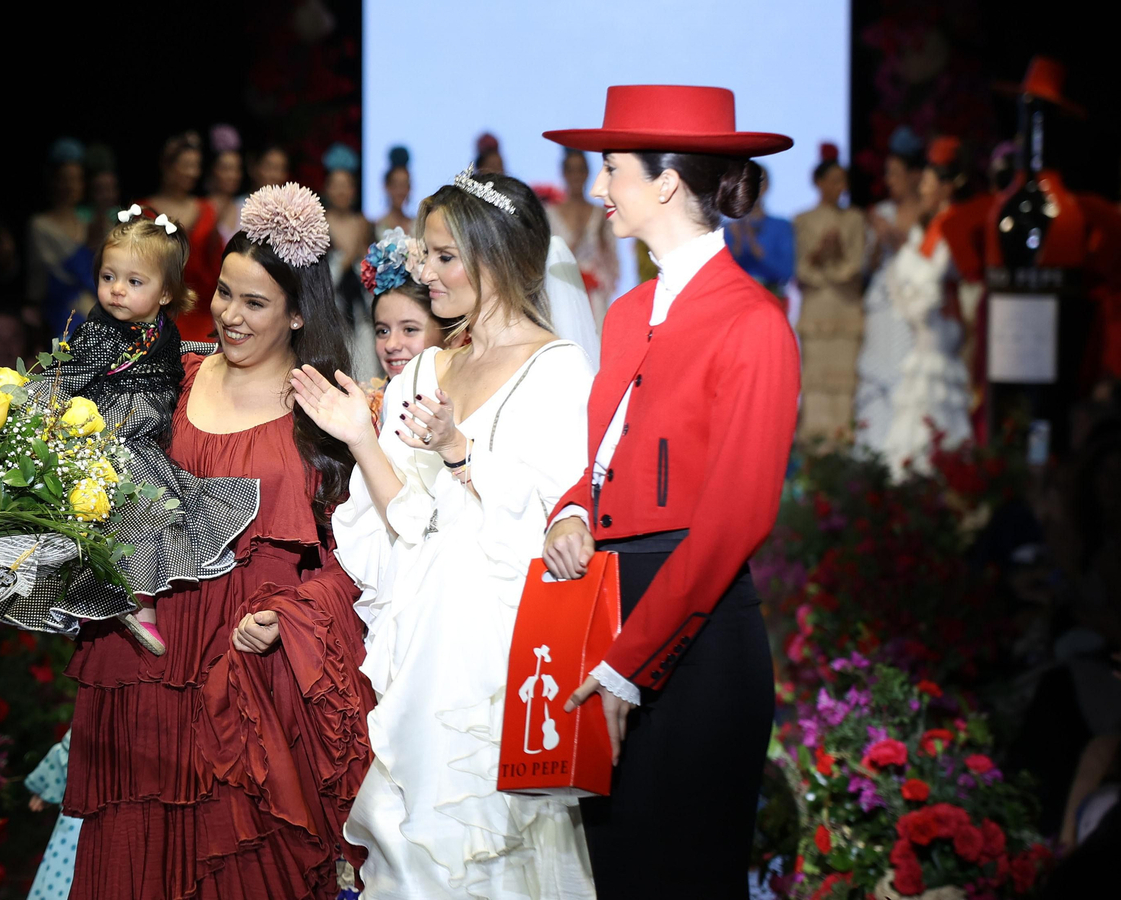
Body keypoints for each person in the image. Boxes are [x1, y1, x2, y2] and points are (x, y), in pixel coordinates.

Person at [59, 184, 373, 899]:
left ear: (298, 313)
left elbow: (355, 564)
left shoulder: (326, 416)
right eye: (225, 293)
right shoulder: (170, 378)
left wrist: (291, 615)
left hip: (248, 682)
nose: (230, 314)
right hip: (142, 665)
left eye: (254, 303)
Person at [306, 170, 596, 898]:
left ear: (495, 256)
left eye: (442, 257)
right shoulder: (427, 369)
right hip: (424, 630)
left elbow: (556, 526)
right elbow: (407, 520)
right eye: (425, 254)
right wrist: (360, 440)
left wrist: (462, 453)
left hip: (501, 650)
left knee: (493, 845)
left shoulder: (560, 371)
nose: (423, 272)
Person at [540, 84, 800, 898]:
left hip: (697, 641)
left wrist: (627, 668)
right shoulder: (626, 313)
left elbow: (735, 519)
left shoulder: (753, 322)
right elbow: (601, 459)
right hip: (610, 612)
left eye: (611, 168)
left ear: (666, 182)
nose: (596, 188)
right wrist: (572, 510)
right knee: (614, 876)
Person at [0, 206, 258, 656]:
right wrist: (24, 404)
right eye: (108, 277)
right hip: (110, 434)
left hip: (147, 424)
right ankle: (136, 606)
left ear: (165, 293)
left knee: (157, 512)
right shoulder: (99, 333)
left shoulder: (163, 331)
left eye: (134, 282)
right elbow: (66, 379)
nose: (116, 290)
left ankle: (133, 598)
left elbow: (177, 361)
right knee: (132, 503)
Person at [880, 136, 977, 477]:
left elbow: (941, 279)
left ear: (946, 186)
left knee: (936, 397)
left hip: (940, 326)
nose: (922, 188)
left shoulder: (953, 225)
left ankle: (937, 475)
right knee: (920, 399)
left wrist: (914, 292)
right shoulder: (932, 226)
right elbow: (908, 275)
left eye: (929, 181)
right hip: (925, 325)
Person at [853, 125, 927, 454]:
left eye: (896, 173)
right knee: (877, 379)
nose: (890, 180)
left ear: (914, 175)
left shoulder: (929, 213)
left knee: (910, 379)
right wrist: (876, 243)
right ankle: (875, 455)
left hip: (917, 307)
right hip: (883, 306)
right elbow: (866, 269)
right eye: (888, 174)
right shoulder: (881, 213)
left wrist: (895, 237)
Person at [793, 144, 868, 445]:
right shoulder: (803, 220)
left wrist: (836, 259)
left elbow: (856, 265)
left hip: (846, 307)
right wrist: (819, 256)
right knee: (816, 381)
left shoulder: (855, 219)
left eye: (843, 180)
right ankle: (815, 449)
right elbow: (802, 269)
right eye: (833, 180)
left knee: (844, 382)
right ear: (819, 182)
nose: (839, 187)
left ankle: (843, 444)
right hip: (817, 309)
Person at [358, 227, 452, 428]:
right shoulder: (362, 411)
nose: (391, 345)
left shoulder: (467, 404)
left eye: (409, 329)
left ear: (450, 334)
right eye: (382, 331)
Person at [145, 133, 222, 322]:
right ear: (167, 166)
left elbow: (218, 266)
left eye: (196, 166)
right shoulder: (144, 211)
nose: (193, 172)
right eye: (186, 165)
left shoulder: (207, 210)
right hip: (154, 313)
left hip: (201, 313)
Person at [323, 143, 380, 383]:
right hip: (331, 313)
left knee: (366, 375)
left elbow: (374, 270)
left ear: (354, 190)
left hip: (361, 314)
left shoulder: (364, 223)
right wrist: (345, 259)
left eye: (346, 186)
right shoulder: (318, 222)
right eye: (336, 186)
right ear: (326, 189)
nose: (341, 191)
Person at [546, 148, 620, 330]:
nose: (576, 175)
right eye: (571, 170)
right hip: (561, 297)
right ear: (563, 173)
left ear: (588, 172)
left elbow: (613, 267)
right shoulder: (549, 214)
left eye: (581, 169)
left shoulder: (601, 216)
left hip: (594, 300)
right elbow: (542, 262)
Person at [28, 138, 98, 329]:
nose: (70, 186)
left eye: (76, 179)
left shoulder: (88, 223)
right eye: (64, 179)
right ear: (53, 181)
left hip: (95, 315)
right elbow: (57, 276)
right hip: (59, 315)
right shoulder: (41, 225)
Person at [724, 166, 795, 297]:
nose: (754, 188)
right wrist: (738, 244)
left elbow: (786, 272)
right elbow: (721, 273)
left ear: (767, 186)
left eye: (759, 182)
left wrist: (753, 244)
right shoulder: (729, 230)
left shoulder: (781, 226)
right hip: (736, 297)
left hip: (773, 296)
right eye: (747, 182)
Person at [376, 146, 415, 237]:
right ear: (386, 186)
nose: (400, 192)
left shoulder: (417, 226)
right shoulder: (375, 227)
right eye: (396, 185)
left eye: (405, 185)